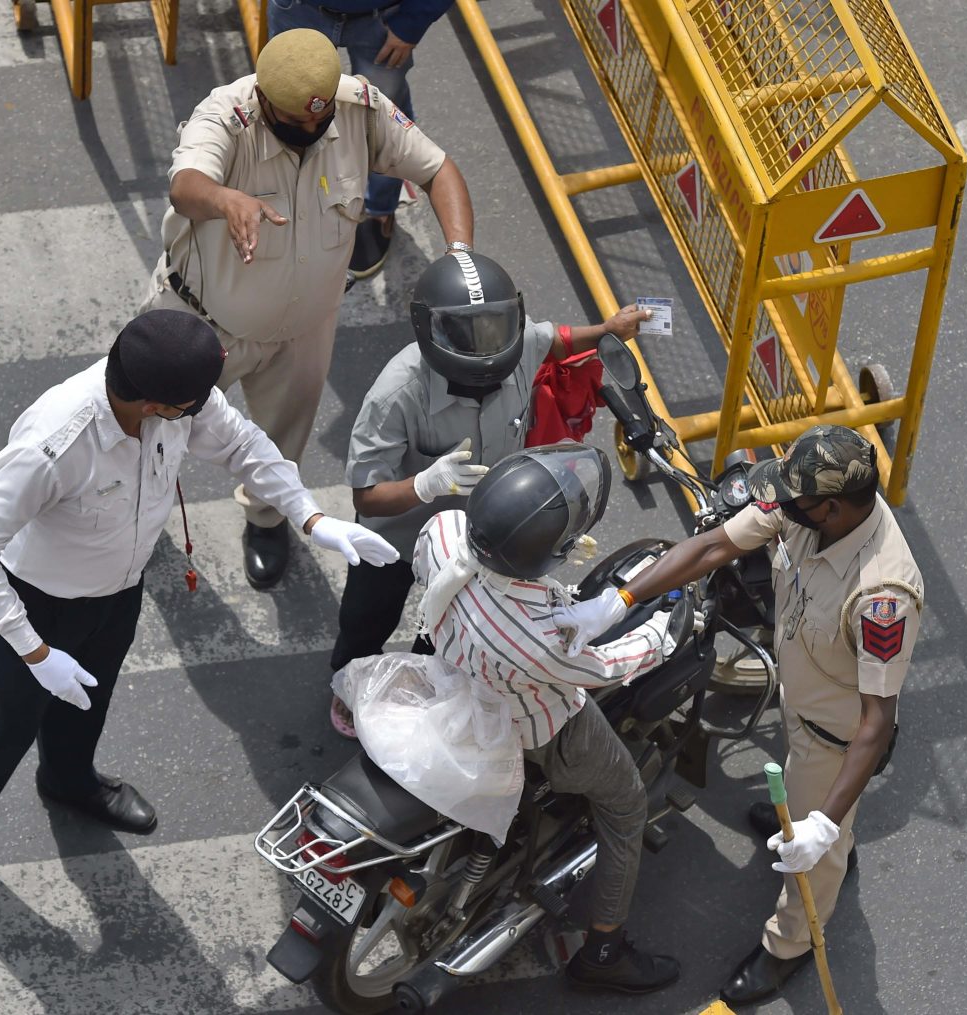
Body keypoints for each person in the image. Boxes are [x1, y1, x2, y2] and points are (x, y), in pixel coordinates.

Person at [0, 310, 400, 919]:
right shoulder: (56, 445)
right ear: (155, 405)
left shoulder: (172, 402)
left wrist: (312, 517)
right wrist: (34, 651)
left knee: (90, 698)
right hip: (35, 603)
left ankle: (68, 780)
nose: (205, 409)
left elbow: (243, 443)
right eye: (194, 403)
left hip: (117, 588)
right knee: (1, 730)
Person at [551, 425, 923, 1005]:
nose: (781, 504)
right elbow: (713, 547)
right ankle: (820, 835)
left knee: (812, 857)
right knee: (804, 815)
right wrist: (618, 601)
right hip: (800, 703)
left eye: (796, 502)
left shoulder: (884, 595)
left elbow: (876, 723)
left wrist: (821, 825)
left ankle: (792, 942)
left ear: (830, 508)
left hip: (837, 740)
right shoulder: (807, 507)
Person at [140, 27, 474, 590]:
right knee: (148, 432)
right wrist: (227, 200)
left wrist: (461, 257)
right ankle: (138, 519)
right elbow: (186, 186)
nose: (309, 132)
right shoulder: (226, 114)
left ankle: (267, 519)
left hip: (304, 329)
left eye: (318, 124)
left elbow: (437, 169)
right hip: (199, 326)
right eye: (294, 124)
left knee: (280, 442)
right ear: (265, 100)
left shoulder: (358, 107)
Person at [328, 250, 650, 735]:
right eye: (468, 333)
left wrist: (605, 330)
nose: (488, 347)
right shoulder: (396, 394)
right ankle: (349, 694)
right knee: (364, 621)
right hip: (396, 538)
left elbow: (556, 341)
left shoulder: (520, 349)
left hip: (476, 540)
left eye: (497, 329)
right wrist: (425, 484)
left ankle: (418, 699)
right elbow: (367, 497)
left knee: (446, 636)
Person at [412, 444, 681, 993]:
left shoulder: (442, 533)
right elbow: (604, 667)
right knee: (627, 804)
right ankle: (604, 948)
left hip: (450, 684)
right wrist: (663, 634)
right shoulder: (541, 633)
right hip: (540, 734)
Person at [265, 0, 457, 279]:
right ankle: (293, 202)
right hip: (297, 8)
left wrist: (412, 22)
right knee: (288, 110)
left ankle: (380, 209)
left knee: (384, 116)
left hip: (384, 16)